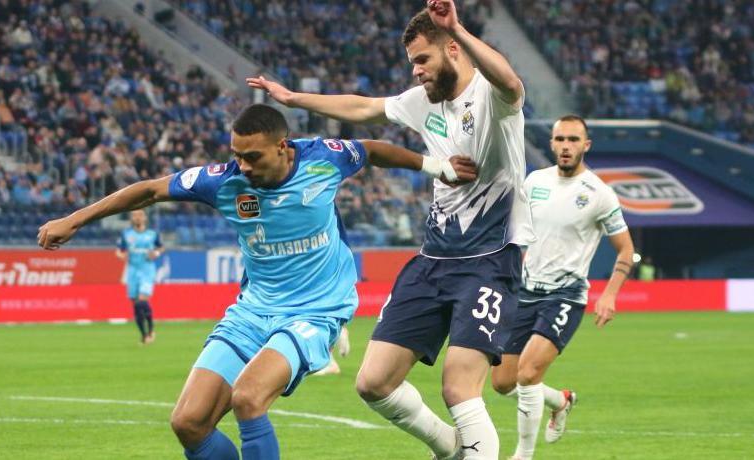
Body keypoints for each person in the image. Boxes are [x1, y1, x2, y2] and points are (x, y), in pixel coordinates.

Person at [37, 104, 477, 460]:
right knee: (188, 423)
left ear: (283, 147)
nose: (242, 165)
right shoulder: (223, 182)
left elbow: (374, 149)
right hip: (252, 311)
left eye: (253, 156)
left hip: (315, 311)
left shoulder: (324, 158)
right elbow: (150, 190)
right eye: (236, 155)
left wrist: (436, 166)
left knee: (249, 398)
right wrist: (75, 220)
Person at [248, 1, 528, 458]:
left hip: (490, 260)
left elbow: (513, 82)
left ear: (453, 50)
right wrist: (294, 99)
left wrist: (456, 24)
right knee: (373, 382)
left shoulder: (492, 98)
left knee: (459, 388)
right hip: (434, 259)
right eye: (412, 63)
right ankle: (448, 447)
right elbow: (362, 106)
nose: (416, 72)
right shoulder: (423, 102)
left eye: (423, 60)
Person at [490, 115, 635, 460]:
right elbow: (514, 231)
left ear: (586, 145)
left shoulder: (599, 193)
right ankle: (561, 400)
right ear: (551, 143)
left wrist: (610, 295)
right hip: (526, 291)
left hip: (565, 296)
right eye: (560, 139)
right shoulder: (534, 181)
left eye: (573, 140)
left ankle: (522, 456)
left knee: (527, 374)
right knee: (502, 383)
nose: (566, 146)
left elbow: (626, 249)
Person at [116, 209, 163, 344]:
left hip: (147, 270)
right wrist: (121, 255)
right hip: (132, 271)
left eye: (140, 215)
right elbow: (119, 251)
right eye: (134, 215)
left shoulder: (152, 234)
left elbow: (160, 247)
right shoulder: (126, 234)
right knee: (136, 305)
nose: (137, 217)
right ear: (131, 218)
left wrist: (156, 254)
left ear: (145, 218)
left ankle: (151, 330)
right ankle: (144, 335)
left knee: (142, 300)